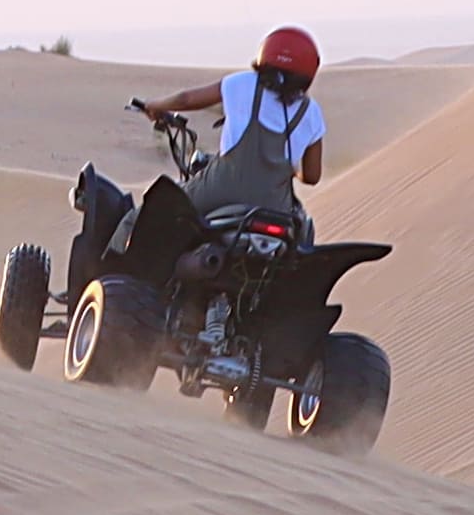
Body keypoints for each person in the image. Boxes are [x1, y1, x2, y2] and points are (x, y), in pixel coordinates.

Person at [73, 28, 327, 308]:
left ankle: (100, 289)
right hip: (275, 208)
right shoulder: (311, 112)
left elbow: (185, 101)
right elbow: (312, 176)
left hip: (221, 189)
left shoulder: (243, 84)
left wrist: (155, 106)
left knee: (145, 215)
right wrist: (287, 167)